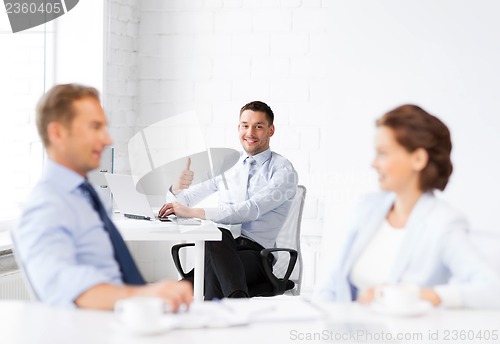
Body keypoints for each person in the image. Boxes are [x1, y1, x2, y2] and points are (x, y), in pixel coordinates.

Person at [12, 84, 193, 310]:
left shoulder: (86, 196)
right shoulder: (45, 206)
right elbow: (68, 286)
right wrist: (146, 295)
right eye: (95, 127)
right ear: (57, 133)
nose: (107, 140)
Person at [313, 104, 500, 308]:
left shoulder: (442, 223)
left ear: (418, 159)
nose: (374, 164)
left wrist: (419, 296)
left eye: (383, 153)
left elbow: (491, 290)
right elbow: (333, 282)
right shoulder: (368, 207)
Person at [158, 101, 298, 300]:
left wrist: (194, 213)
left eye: (258, 126)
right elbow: (186, 199)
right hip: (219, 250)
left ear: (271, 130)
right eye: (245, 125)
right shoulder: (228, 164)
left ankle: (229, 307)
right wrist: (177, 188)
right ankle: (236, 303)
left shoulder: (283, 170)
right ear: (238, 127)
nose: (250, 132)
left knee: (198, 274)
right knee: (214, 243)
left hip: (256, 255)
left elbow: (250, 209)